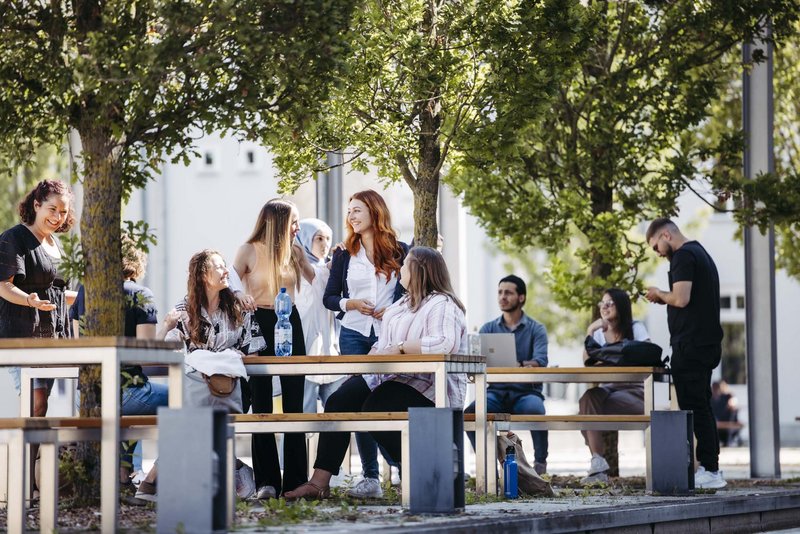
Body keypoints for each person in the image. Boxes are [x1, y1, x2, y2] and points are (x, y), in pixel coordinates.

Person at [284, 246, 467, 501]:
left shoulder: (441, 304)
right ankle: (318, 483)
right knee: (338, 401)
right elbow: (383, 345)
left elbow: (443, 343)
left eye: (405, 265)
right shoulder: (402, 304)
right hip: (390, 378)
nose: (401, 269)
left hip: (426, 385)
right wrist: (371, 360)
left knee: (376, 406)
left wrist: (401, 349)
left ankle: (425, 470)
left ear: (418, 270)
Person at [134, 250, 266, 502]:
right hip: (196, 389)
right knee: (193, 425)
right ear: (204, 275)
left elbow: (255, 352)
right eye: (219, 267)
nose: (226, 270)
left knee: (190, 425)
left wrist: (225, 359)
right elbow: (159, 351)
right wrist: (165, 326)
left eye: (225, 266)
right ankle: (234, 470)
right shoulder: (185, 309)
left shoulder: (239, 306)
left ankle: (152, 482)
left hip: (231, 389)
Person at [322, 189, 410, 499]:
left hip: (390, 335)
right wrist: (352, 303)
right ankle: (370, 476)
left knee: (386, 398)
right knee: (356, 397)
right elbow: (329, 298)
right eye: (350, 212)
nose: (352, 217)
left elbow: (413, 295)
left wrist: (394, 309)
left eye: (357, 210)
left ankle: (402, 467)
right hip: (354, 333)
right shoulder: (344, 253)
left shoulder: (402, 250)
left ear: (375, 212)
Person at [70, 237, 169, 488]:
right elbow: (145, 355)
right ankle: (154, 476)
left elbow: (76, 344)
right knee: (188, 398)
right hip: (126, 393)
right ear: (136, 261)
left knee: (133, 405)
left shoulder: (84, 291)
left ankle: (124, 476)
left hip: (87, 394)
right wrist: (167, 326)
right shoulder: (140, 294)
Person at [234, 199, 315, 499]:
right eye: (294, 221)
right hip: (258, 323)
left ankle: (295, 482)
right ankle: (267, 481)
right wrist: (239, 296)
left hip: (289, 321)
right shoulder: (248, 249)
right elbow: (228, 283)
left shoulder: (294, 251)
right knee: (262, 405)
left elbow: (316, 281)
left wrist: (315, 263)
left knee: (295, 404)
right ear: (278, 221)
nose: (298, 227)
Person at [645, 217, 726, 489]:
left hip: (691, 346)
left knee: (695, 406)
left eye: (656, 245)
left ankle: (710, 470)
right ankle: (710, 466)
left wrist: (659, 293)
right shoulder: (701, 253)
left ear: (666, 235)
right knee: (701, 404)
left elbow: (681, 298)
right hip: (703, 344)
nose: (657, 252)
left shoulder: (683, 256)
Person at [0, 179, 77, 417]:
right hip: (22, 337)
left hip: (53, 338)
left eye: (63, 212)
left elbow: (60, 295)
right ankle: (22, 455)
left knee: (40, 410)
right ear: (36, 205)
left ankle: (31, 455)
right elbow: (3, 286)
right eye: (52, 209)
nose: (57, 217)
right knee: (36, 404)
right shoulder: (14, 238)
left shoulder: (57, 244)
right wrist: (29, 300)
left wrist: (89, 299)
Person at [463, 275, 549, 475]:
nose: (502, 297)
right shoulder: (488, 329)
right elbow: (478, 361)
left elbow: (540, 361)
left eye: (508, 293)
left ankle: (540, 464)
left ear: (521, 298)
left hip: (526, 393)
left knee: (536, 410)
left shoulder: (537, 329)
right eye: (500, 292)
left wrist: (519, 365)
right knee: (469, 414)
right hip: (496, 392)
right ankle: (487, 465)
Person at [579, 288, 650, 484]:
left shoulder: (636, 328)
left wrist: (608, 358)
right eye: (603, 303)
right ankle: (598, 463)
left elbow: (647, 355)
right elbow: (587, 361)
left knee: (585, 414)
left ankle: (598, 472)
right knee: (587, 399)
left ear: (622, 306)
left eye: (610, 303)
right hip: (609, 390)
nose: (605, 307)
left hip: (636, 392)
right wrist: (590, 331)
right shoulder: (600, 334)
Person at [295, 218, 344, 413]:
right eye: (319, 239)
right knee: (301, 419)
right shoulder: (299, 267)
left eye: (328, 239)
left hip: (331, 350)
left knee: (338, 416)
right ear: (306, 239)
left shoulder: (331, 268)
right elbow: (317, 277)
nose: (325, 245)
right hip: (307, 350)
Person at [711, 380, 740, 447]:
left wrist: (731, 403)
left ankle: (728, 441)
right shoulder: (711, 399)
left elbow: (733, 401)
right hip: (716, 425)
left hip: (727, 425)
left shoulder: (727, 396)